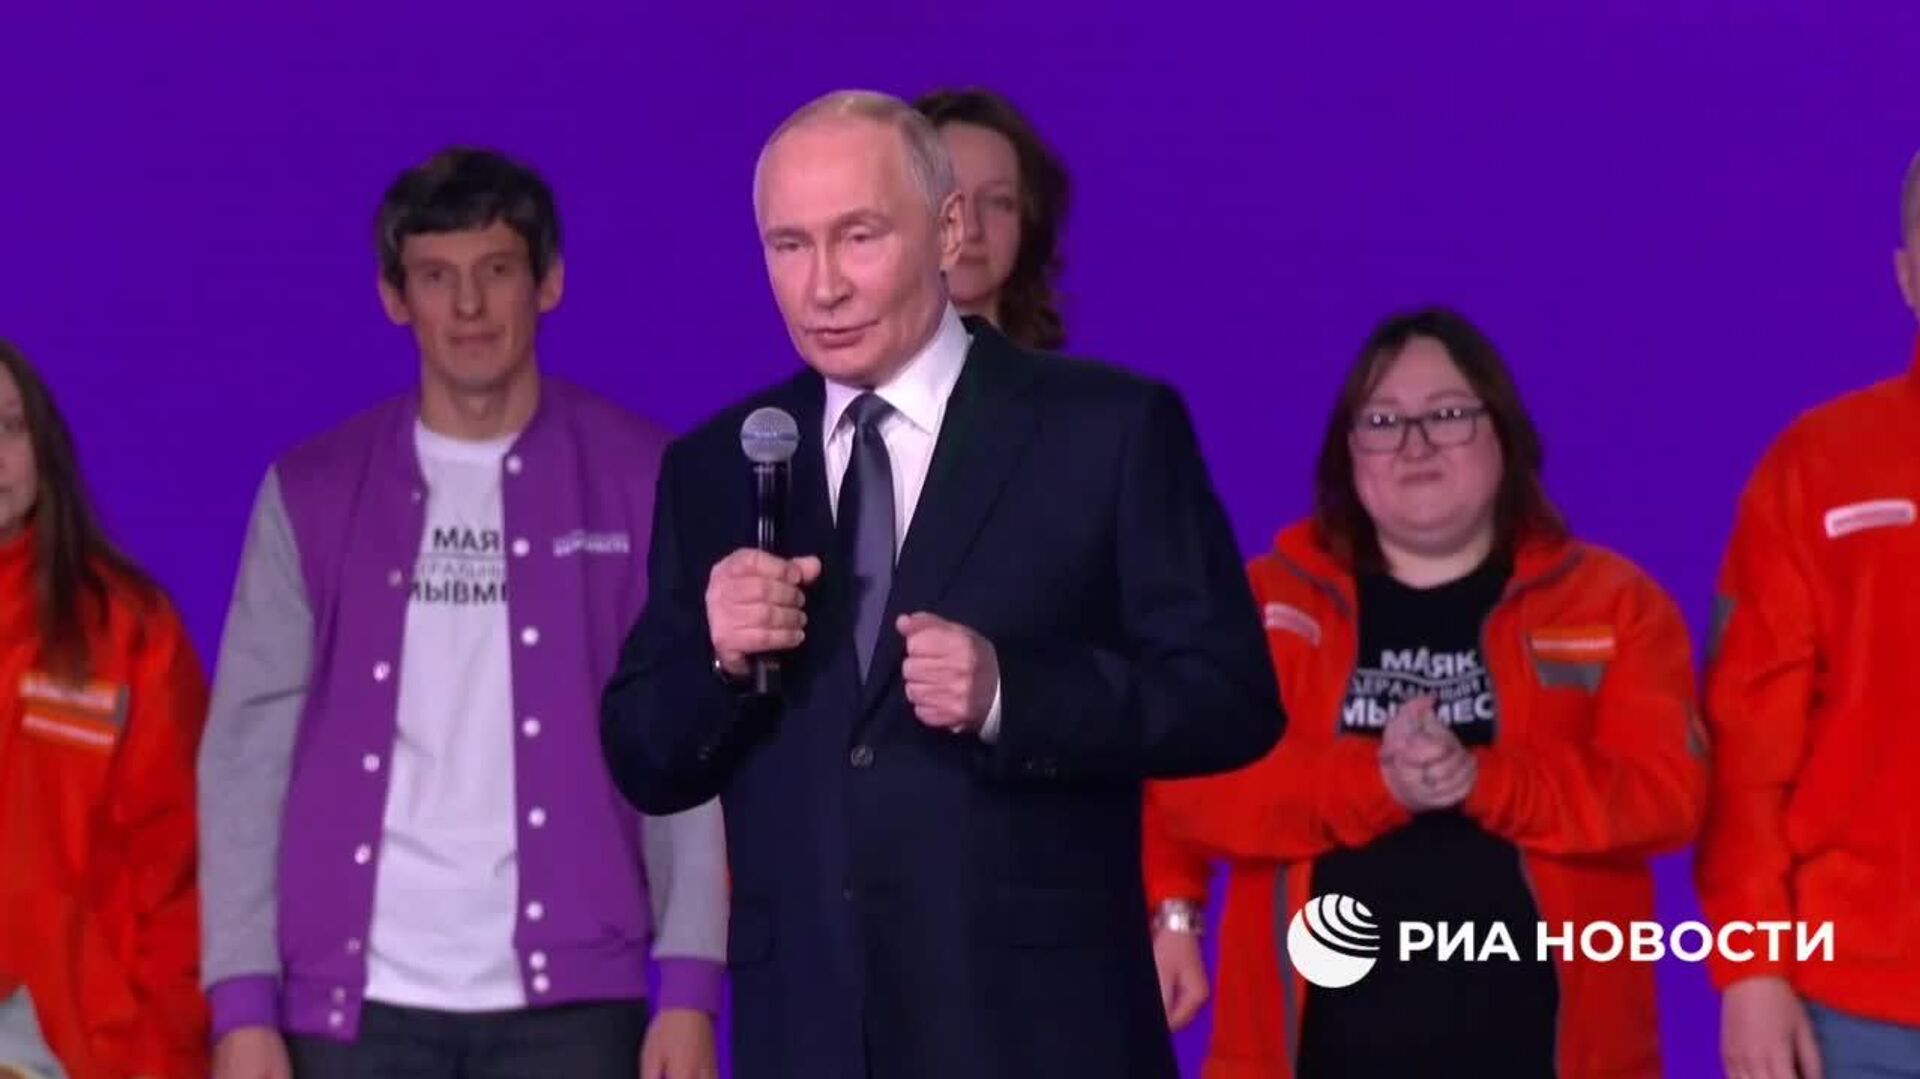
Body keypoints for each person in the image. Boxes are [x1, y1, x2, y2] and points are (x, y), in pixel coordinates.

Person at [599, 89, 1282, 1079]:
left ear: (948, 229)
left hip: (1041, 1033)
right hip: (813, 1037)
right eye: (789, 246)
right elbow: (645, 756)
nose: (823, 286)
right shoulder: (721, 463)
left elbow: (1230, 699)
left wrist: (1013, 694)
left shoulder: (1105, 431)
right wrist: (719, 659)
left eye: (859, 237)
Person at [197, 148, 726, 1079]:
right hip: (354, 1010)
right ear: (394, 297)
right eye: (436, 277)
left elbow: (688, 748)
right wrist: (241, 1002)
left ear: (548, 282)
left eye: (496, 269)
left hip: (573, 1011)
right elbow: (245, 757)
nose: (469, 306)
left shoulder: (645, 480)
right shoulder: (312, 492)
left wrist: (688, 987)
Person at [1144, 309, 1708, 1078]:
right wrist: (1379, 783)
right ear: (1347, 451)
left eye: (1447, 414)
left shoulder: (1615, 603)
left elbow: (1667, 793)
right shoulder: (1267, 602)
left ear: (1504, 433)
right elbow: (1191, 784)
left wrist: (1482, 780)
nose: (1414, 444)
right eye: (1382, 421)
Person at [1699, 151, 1920, 1079]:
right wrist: (1750, 963)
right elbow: (1745, 739)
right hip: (1856, 1012)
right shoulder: (1817, 464)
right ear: (1907, 274)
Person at [0, 342, 210, 1079]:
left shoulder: (129, 631)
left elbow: (183, 872)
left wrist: (167, 1058)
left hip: (91, 1054)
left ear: (43, 447)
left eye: (9, 426)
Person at [912, 88, 1070, 350]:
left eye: (997, 202)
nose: (971, 228)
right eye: (948, 196)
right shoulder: (845, 372)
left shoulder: (1068, 379)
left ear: (1028, 223)